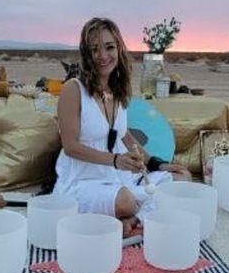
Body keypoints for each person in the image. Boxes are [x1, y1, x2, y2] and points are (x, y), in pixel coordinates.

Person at [53, 17, 191, 237]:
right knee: (126, 201)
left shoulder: (118, 91)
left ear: (119, 48)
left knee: (181, 177)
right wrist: (117, 161)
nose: (103, 56)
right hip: (83, 181)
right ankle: (136, 214)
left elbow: (124, 136)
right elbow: (70, 147)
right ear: (86, 53)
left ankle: (133, 220)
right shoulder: (73, 89)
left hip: (118, 178)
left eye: (109, 47)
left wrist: (157, 164)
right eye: (94, 49)